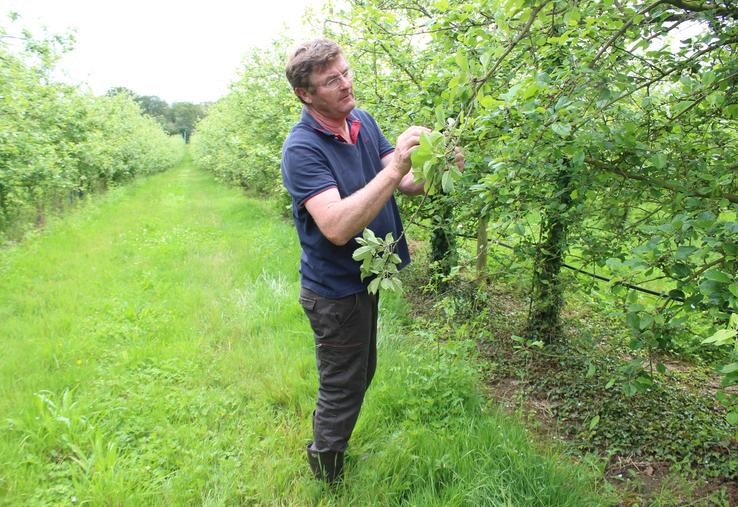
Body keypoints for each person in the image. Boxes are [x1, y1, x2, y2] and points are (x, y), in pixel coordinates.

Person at [281, 38, 461, 484]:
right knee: (343, 386)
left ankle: (330, 453)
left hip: (367, 279)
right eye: (331, 80)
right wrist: (397, 167)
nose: (345, 84)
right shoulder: (302, 149)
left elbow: (405, 183)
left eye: (345, 72)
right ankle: (326, 469)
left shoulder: (360, 120)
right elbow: (338, 225)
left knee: (361, 373)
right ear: (306, 94)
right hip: (335, 291)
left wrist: (439, 163)